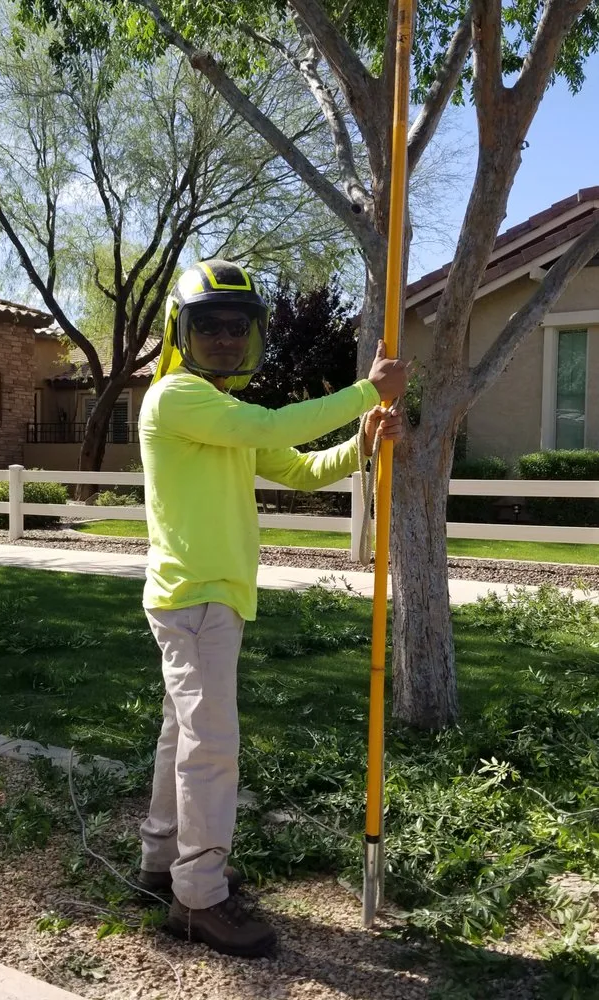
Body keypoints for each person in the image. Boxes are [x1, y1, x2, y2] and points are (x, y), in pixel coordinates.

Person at [135, 259, 408, 958]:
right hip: (197, 598)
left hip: (205, 599)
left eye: (238, 328)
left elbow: (299, 466)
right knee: (210, 749)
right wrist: (363, 391)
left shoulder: (223, 416)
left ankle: (163, 863)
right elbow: (276, 423)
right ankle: (198, 898)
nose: (226, 340)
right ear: (181, 332)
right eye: (210, 327)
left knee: (184, 739)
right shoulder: (176, 398)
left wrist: (365, 440)